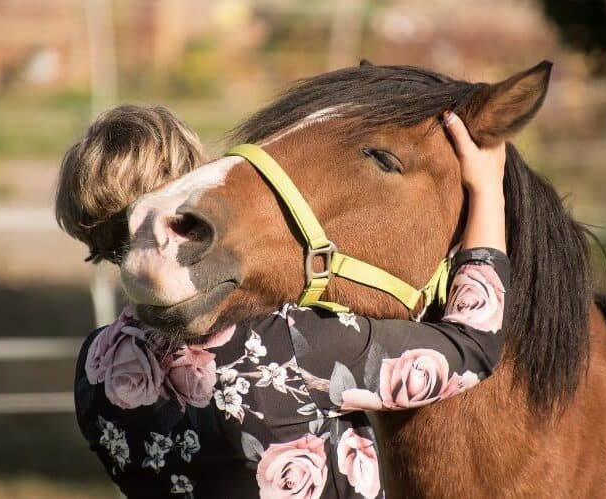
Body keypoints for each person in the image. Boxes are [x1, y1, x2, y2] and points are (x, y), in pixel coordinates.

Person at [58, 106, 509, 498]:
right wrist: (488, 189)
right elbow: (473, 344)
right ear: (186, 195)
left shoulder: (93, 368)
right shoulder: (286, 345)